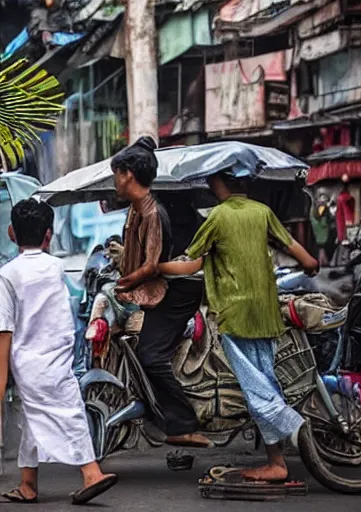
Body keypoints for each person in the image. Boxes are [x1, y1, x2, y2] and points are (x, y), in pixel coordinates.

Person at [158, 171, 319, 482]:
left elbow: (191, 264)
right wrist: (310, 264)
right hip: (267, 314)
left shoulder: (218, 216)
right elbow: (301, 254)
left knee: (256, 390)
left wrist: (155, 267)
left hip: (236, 313)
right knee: (264, 384)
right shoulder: (262, 212)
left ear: (221, 184)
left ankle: (295, 427)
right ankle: (276, 462)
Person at [0, 199, 117, 505]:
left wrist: (2, 379)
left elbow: (5, 329)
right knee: (68, 412)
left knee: (34, 416)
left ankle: (28, 484)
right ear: (49, 235)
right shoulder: (56, 266)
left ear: (11, 233)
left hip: (28, 361)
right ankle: (91, 473)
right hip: (57, 356)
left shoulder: (8, 274)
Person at [110, 136, 211, 448]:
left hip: (178, 290)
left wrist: (128, 281)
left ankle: (184, 423)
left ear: (128, 174)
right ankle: (159, 409)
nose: (114, 179)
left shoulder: (154, 212)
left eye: (117, 173)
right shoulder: (137, 209)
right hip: (163, 287)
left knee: (150, 356)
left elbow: (152, 265)